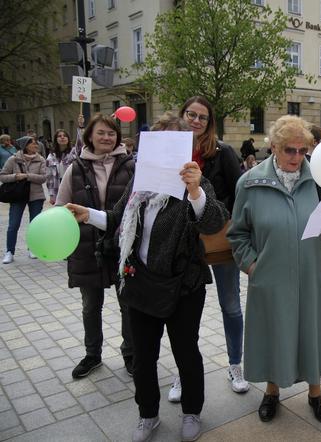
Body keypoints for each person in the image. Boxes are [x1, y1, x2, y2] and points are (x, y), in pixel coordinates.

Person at [66, 112, 226, 442]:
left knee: (186, 352)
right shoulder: (142, 183)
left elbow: (213, 221)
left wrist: (196, 192)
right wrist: (88, 215)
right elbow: (116, 218)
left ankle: (192, 411)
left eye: (173, 140)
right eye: (159, 139)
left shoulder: (194, 182)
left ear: (185, 146)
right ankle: (148, 414)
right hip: (140, 281)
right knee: (143, 356)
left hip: (184, 285)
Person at [227, 115, 321, 424]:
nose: (296, 157)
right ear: (274, 148)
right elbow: (237, 233)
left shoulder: (320, 180)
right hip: (269, 276)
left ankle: (316, 393)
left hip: (311, 274)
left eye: (302, 150)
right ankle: (271, 392)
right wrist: (252, 265)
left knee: (311, 332)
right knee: (274, 333)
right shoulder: (251, 181)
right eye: (289, 150)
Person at [168, 96, 247, 400]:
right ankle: (182, 372)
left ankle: (235, 365)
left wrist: (226, 220)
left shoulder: (223, 151)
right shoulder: (171, 151)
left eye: (203, 117)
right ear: (183, 115)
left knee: (230, 305)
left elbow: (241, 190)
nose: (196, 121)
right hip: (183, 243)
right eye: (191, 114)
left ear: (210, 122)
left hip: (219, 237)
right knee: (184, 312)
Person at [55, 114, 135, 379]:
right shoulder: (75, 168)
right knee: (91, 305)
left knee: (128, 304)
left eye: (111, 134)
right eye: (101, 133)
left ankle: (131, 353)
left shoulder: (131, 166)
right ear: (90, 135)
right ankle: (93, 354)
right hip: (86, 247)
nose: (106, 138)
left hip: (123, 245)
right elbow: (60, 208)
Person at [0, 136, 47, 264]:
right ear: (25, 145)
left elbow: (43, 177)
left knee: (35, 225)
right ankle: (9, 251)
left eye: (36, 143)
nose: (36, 145)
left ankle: (33, 248)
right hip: (18, 196)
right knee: (13, 225)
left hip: (36, 196)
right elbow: (3, 177)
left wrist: (27, 176)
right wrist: (16, 176)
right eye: (32, 143)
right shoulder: (14, 159)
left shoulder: (40, 159)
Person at [46, 129, 77, 205]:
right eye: (59, 136)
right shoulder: (51, 156)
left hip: (73, 185)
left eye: (65, 136)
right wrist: (51, 195)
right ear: (56, 139)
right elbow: (49, 177)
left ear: (68, 139)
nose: (62, 137)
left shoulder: (74, 152)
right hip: (58, 186)